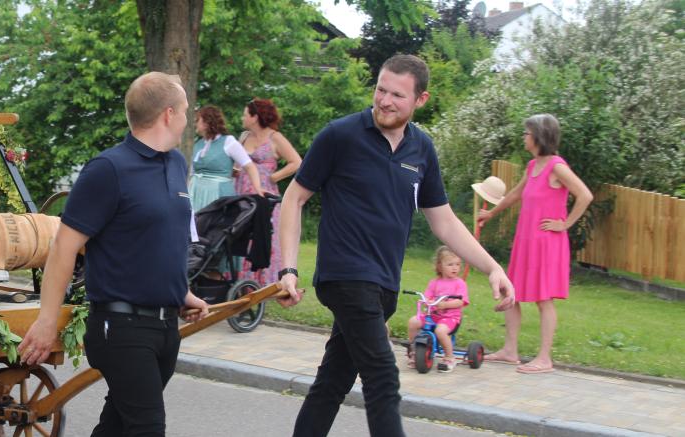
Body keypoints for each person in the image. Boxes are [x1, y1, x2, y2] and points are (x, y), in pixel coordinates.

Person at [276, 54, 515, 436]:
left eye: (397, 95)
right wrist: (288, 269)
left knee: (333, 381)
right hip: (345, 277)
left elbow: (444, 221)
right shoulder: (340, 135)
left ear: (421, 100)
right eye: (381, 90)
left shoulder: (421, 149)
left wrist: (492, 268)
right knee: (383, 378)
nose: (385, 100)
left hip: (384, 285)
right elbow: (294, 198)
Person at [18, 71, 209, 436]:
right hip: (120, 328)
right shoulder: (108, 170)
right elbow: (64, 248)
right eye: (185, 109)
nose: (188, 117)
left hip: (165, 327)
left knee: (119, 425)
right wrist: (47, 319)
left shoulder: (175, 165)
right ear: (169, 114)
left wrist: (180, 293)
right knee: (147, 427)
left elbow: (153, 241)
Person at [477, 114, 593, 374]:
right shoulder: (533, 166)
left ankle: (544, 358)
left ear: (540, 136)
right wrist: (491, 214)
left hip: (547, 243)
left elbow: (585, 195)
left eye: (527, 133)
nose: (524, 137)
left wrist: (565, 223)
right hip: (526, 240)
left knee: (543, 299)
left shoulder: (556, 166)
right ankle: (510, 350)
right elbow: (515, 195)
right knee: (512, 293)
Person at [236, 98, 301, 285]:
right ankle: (244, 282)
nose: (242, 117)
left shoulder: (275, 138)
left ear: (255, 117)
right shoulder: (244, 137)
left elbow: (296, 162)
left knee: (264, 237)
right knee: (243, 237)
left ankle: (265, 282)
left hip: (264, 195)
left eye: (245, 114)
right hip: (243, 193)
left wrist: (274, 177)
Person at [406, 246, 469, 373]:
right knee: (413, 321)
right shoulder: (434, 283)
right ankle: (414, 350)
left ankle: (450, 357)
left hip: (451, 318)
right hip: (433, 316)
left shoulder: (459, 283)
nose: (455, 267)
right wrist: (427, 301)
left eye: (457, 264)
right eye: (450, 264)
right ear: (440, 266)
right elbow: (427, 296)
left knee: (440, 331)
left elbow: (461, 301)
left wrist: (445, 305)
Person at [189, 105, 264, 211]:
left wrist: (258, 189)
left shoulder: (228, 142)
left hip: (218, 195)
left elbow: (249, 166)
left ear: (207, 122)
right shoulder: (198, 145)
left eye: (198, 120)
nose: (195, 123)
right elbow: (192, 173)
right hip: (196, 193)